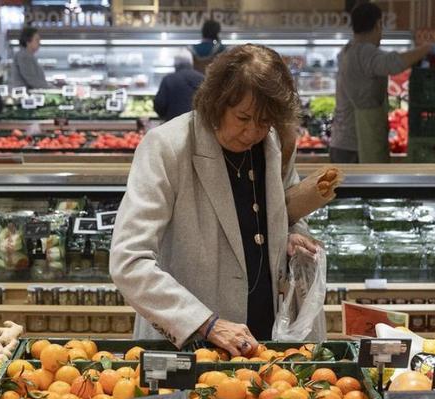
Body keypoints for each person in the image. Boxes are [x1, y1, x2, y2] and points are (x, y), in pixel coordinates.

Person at [110, 45, 336, 355]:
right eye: (243, 118)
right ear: (216, 102)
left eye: (264, 121)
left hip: (263, 340)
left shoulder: (276, 143)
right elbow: (128, 261)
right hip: (188, 343)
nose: (253, 132)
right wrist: (206, 323)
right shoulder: (167, 147)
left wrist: (292, 234)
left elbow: (286, 209)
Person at [330, 3, 435, 163]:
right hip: (356, 146)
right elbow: (393, 63)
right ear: (378, 24)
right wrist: (427, 49)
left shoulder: (349, 50)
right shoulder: (364, 52)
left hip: (343, 143)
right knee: (363, 188)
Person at [154, 51, 204, 122]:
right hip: (197, 124)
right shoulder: (201, 78)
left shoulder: (168, 79)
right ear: (191, 62)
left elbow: (159, 104)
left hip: (173, 125)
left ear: (175, 64)